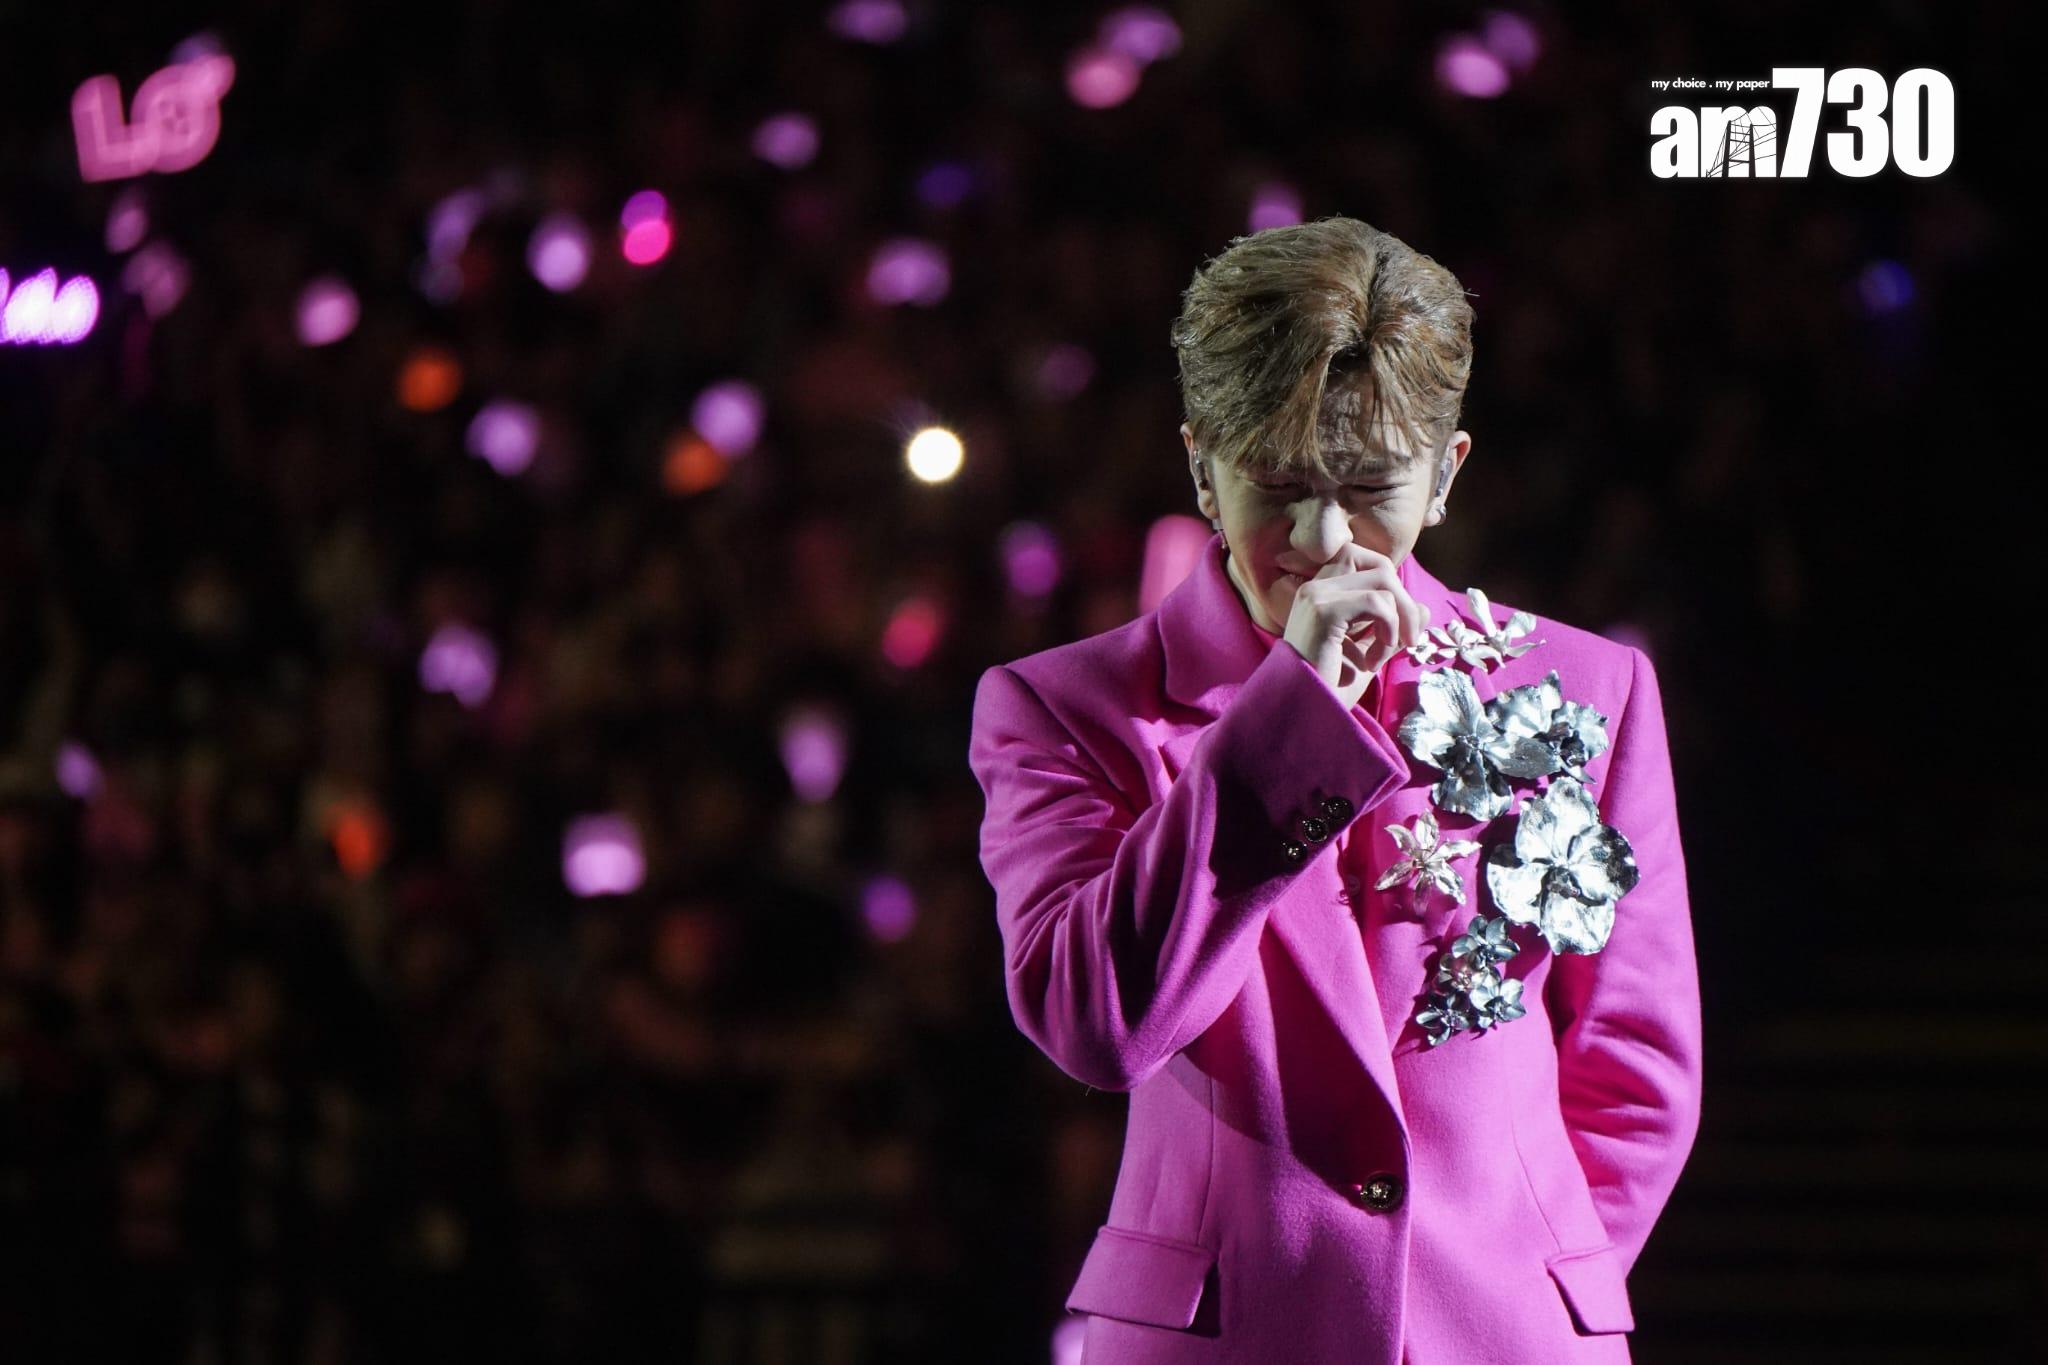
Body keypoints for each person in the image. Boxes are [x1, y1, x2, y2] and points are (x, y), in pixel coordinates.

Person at [967, 217, 1701, 1364]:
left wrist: (1529, 1283)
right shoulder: (1067, 708)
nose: (1318, 538)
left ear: (1445, 473)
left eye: (1367, 487)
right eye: (1274, 486)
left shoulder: (1586, 688)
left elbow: (1636, 1066)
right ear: (1200, 468)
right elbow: (1097, 1022)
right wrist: (1289, 717)